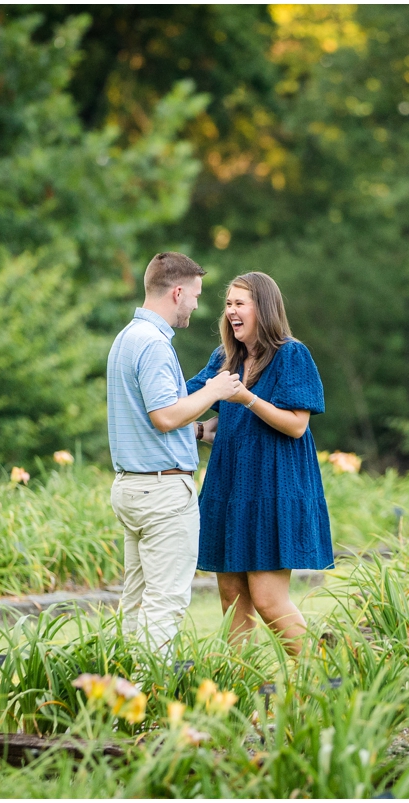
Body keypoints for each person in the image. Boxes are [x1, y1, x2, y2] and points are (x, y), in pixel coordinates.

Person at [186, 271, 334, 655]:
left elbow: (296, 426)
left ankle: (330, 679)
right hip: (230, 487)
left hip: (273, 487)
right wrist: (200, 431)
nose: (232, 311)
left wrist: (247, 398)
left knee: (268, 600)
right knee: (233, 602)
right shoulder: (224, 358)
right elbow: (225, 421)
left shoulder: (291, 355)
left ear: (263, 309)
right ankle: (241, 701)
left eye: (240, 304)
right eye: (228, 304)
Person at [106, 252, 241, 651]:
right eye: (196, 295)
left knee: (135, 605)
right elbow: (164, 417)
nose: (198, 305)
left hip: (132, 488)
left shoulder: (127, 338)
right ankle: (148, 703)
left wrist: (198, 430)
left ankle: (119, 705)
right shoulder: (154, 344)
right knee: (165, 606)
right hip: (162, 495)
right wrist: (213, 391)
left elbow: (147, 418)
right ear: (178, 292)